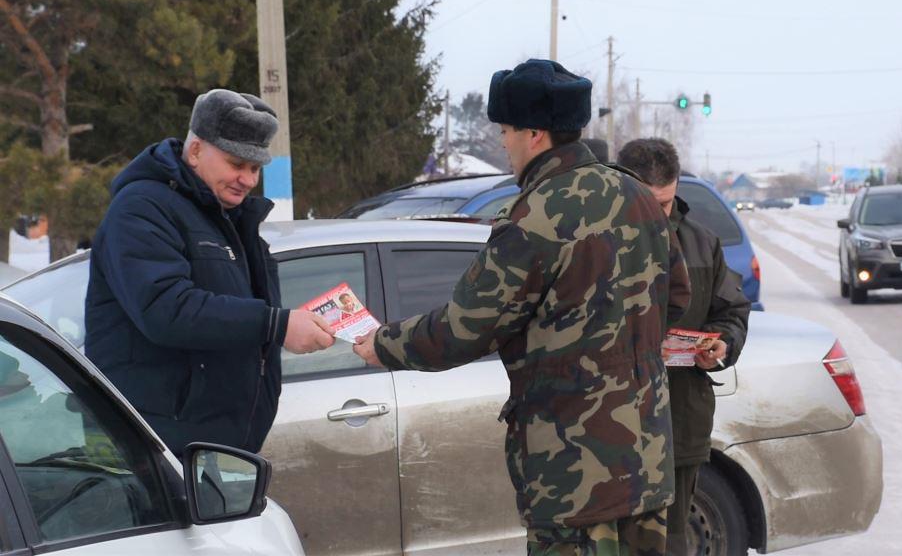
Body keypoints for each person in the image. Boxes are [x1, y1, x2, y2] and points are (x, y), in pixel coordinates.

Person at [354, 59, 691, 555]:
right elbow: (677, 298)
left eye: (506, 131)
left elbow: (465, 329)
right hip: (647, 462)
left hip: (575, 476)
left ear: (535, 134)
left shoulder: (535, 216)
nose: (503, 143)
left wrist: (382, 344)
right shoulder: (637, 194)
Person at [85, 89, 335, 457]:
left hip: (214, 447)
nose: (248, 180)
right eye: (237, 164)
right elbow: (166, 308)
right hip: (149, 448)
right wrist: (277, 326)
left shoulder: (229, 219)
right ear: (197, 150)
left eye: (255, 169)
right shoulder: (141, 208)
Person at [617, 138, 750, 555]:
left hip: (679, 420)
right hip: (609, 425)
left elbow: (731, 310)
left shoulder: (701, 243)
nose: (661, 214)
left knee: (671, 542)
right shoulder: (596, 243)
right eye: (650, 204)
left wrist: (721, 345)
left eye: (668, 202)